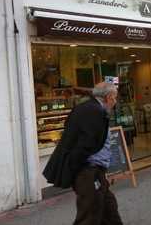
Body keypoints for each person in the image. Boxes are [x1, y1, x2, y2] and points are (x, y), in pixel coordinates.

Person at [43, 82, 123, 225]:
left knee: (109, 209)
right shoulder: (94, 111)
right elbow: (86, 144)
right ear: (108, 97)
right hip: (88, 171)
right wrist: (80, 168)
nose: (115, 101)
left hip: (94, 170)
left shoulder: (89, 108)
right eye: (114, 98)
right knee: (90, 214)